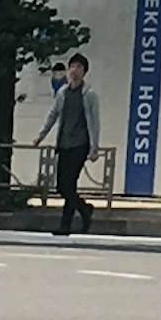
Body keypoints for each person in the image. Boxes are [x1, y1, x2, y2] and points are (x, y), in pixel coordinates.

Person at [45, 50, 96, 236]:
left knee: (69, 184)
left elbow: (94, 122)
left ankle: (65, 224)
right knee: (62, 186)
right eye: (72, 66)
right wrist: (41, 135)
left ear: (84, 71)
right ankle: (83, 209)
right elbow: (53, 115)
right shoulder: (63, 93)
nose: (74, 70)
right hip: (64, 144)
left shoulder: (89, 95)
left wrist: (94, 148)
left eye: (79, 67)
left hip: (80, 145)